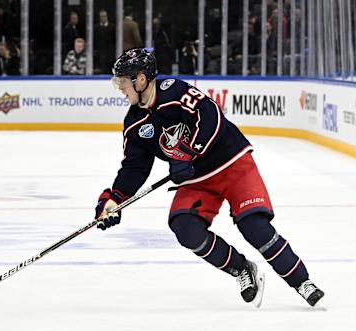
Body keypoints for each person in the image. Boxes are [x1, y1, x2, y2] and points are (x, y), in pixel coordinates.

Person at [94, 48, 325, 308]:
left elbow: (210, 114)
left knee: (254, 227)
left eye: (123, 81)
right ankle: (242, 270)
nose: (120, 88)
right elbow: (134, 167)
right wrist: (116, 198)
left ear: (141, 79)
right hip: (196, 179)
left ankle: (302, 282)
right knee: (185, 228)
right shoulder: (135, 123)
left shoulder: (175, 92)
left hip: (232, 162)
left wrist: (192, 152)